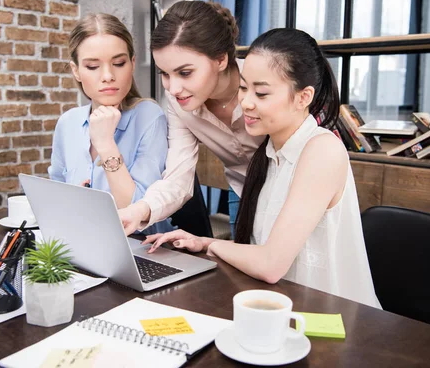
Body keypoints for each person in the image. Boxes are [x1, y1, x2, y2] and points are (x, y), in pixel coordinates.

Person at [142, 28, 381, 308]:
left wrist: (210, 244)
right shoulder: (268, 153)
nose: (246, 102)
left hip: (330, 318)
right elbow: (259, 254)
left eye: (262, 93)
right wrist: (201, 241)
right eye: (244, 88)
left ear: (303, 97)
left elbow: (270, 264)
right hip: (282, 308)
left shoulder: (321, 150)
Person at [119, 0, 265, 237]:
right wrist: (140, 210)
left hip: (291, 193)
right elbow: (178, 177)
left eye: (185, 73)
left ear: (220, 60)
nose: (174, 88)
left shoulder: (262, 81)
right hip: (242, 191)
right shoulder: (180, 104)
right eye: (165, 74)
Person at [48, 13, 173, 233]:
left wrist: (105, 144)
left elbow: (138, 216)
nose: (108, 76)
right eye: (93, 67)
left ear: (132, 64)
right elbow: (55, 200)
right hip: (83, 242)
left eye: (118, 63)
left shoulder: (150, 117)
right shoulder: (68, 123)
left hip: (141, 249)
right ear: (76, 71)